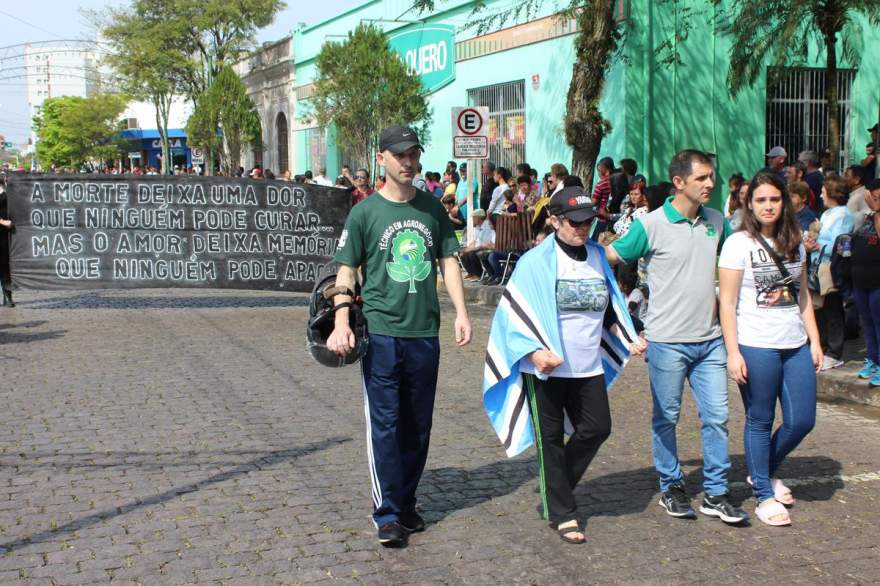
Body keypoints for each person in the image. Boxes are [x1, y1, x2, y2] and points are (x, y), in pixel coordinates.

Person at [327, 124, 471, 548]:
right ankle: (387, 512)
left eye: (413, 154)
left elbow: (448, 261)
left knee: (418, 425)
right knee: (386, 424)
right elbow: (347, 271)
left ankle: (406, 502)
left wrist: (461, 312)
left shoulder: (432, 209)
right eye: (400, 155)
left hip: (425, 332)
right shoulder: (365, 213)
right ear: (383, 159)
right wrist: (340, 321)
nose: (408, 162)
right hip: (382, 334)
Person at [481, 187, 643, 544]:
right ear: (554, 221)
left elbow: (610, 305)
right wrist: (534, 353)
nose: (583, 229)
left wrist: (629, 334)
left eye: (589, 222)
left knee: (597, 428)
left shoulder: (598, 257)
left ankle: (555, 488)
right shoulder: (534, 262)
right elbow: (512, 317)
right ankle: (563, 512)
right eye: (575, 222)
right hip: (547, 370)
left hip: (588, 367)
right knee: (550, 440)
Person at [605, 149, 748, 524]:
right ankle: (671, 484)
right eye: (702, 178)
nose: (710, 184)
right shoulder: (650, 224)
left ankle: (716, 493)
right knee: (666, 417)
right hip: (666, 343)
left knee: (717, 416)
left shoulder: (717, 221)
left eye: (712, 177)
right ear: (679, 182)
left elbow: (738, 262)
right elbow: (609, 258)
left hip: (711, 341)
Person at [718, 172, 821, 527]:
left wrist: (815, 341)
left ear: (785, 202)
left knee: (802, 420)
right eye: (760, 200)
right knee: (760, 419)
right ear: (749, 204)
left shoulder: (795, 241)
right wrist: (733, 352)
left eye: (774, 199)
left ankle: (762, 471)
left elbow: (803, 296)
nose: (767, 206)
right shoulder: (737, 244)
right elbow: (727, 304)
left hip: (794, 343)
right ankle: (763, 493)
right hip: (755, 344)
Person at [804, 175, 854, 370]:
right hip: (817, 266)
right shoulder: (826, 214)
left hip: (831, 268)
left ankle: (835, 352)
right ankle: (822, 347)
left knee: (833, 309)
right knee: (820, 309)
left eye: (824, 191)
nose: (820, 194)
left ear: (833, 193)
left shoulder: (844, 215)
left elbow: (839, 242)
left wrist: (816, 244)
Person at [852, 178, 880, 387]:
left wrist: (877, 211)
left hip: (877, 282)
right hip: (861, 280)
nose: (873, 197)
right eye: (871, 193)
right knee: (867, 323)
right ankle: (872, 359)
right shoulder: (868, 216)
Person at [458, 209, 495, 280]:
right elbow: (475, 241)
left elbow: (482, 245)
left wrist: (468, 250)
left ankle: (478, 274)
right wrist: (466, 249)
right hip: (480, 247)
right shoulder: (477, 227)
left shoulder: (487, 226)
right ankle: (471, 273)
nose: (472, 220)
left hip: (487, 247)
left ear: (479, 218)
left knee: (471, 253)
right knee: (462, 251)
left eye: (474, 218)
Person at [0, 179, 13, 307]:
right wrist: (3, 222)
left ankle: (8, 296)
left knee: (4, 266)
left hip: (5, 234)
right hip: (3, 228)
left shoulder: (8, 191)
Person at [844, 165, 870, 230]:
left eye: (846, 176)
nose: (843, 178)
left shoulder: (861, 195)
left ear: (857, 180)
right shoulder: (857, 193)